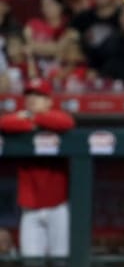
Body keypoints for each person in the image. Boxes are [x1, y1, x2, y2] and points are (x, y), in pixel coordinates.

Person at [0, 78, 75, 257]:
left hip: (58, 206)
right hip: (30, 208)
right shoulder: (20, 118)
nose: (33, 99)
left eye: (39, 95)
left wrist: (33, 118)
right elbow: (3, 122)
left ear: (49, 101)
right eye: (30, 95)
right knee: (30, 259)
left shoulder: (55, 117)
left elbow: (66, 122)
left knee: (60, 260)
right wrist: (30, 120)